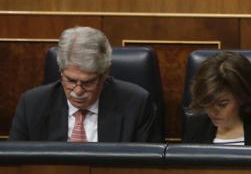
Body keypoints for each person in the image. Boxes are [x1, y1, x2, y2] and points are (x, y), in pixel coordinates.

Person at [9, 26, 162, 142]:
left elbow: (149, 166)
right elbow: (14, 164)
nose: (78, 91)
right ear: (61, 71)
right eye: (70, 80)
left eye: (88, 83)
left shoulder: (137, 105)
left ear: (104, 74)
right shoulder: (32, 105)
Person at [182, 51, 251, 146]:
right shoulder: (195, 127)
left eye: (222, 104)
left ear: (242, 97)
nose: (213, 111)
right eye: (207, 102)